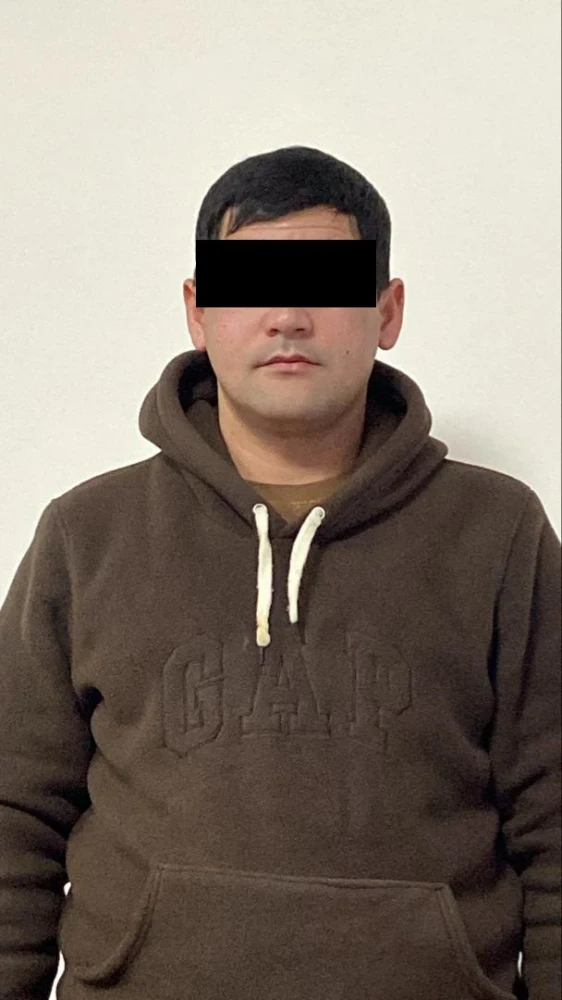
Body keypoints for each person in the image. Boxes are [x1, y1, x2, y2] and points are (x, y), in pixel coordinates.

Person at [0, 145, 559, 1000]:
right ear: (197, 312)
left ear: (387, 310)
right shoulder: (88, 533)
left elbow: (554, 822)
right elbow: (13, 818)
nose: (288, 316)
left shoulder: (498, 532)